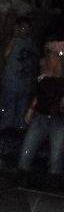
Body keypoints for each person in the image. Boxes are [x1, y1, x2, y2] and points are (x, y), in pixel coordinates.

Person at [17, 34, 64, 181]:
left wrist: (60, 55)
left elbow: (58, 74)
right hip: (40, 116)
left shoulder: (62, 63)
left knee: (55, 163)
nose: (59, 47)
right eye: (57, 44)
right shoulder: (43, 62)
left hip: (59, 120)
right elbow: (41, 89)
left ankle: (50, 194)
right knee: (24, 158)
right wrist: (31, 108)